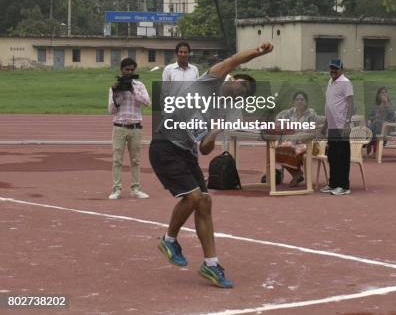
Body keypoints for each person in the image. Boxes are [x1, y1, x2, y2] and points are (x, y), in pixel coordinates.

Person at [149, 42, 274, 288]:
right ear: (232, 78)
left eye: (245, 93)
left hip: (185, 152)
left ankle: (211, 264)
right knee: (194, 197)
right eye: (241, 84)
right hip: (164, 146)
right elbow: (234, 59)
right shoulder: (210, 80)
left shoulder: (220, 112)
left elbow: (205, 148)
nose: (241, 91)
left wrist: (217, 129)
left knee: (205, 201)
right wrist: (257, 51)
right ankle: (169, 239)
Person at [108, 57, 151, 200]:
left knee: (136, 160)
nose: (130, 72)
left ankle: (136, 189)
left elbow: (147, 102)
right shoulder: (115, 87)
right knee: (117, 160)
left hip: (135, 127)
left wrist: (133, 90)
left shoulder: (139, 85)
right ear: (121, 70)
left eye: (132, 69)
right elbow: (111, 110)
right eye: (127, 69)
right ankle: (116, 189)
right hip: (119, 126)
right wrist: (116, 93)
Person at [320, 59, 354, 196]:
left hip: (341, 126)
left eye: (336, 68)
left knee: (342, 157)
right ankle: (333, 183)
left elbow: (351, 104)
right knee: (332, 157)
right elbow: (329, 105)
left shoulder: (346, 83)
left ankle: (343, 186)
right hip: (332, 126)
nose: (333, 71)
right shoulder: (330, 82)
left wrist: (347, 122)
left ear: (341, 69)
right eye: (331, 68)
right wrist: (325, 125)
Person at [275, 92, 318, 187]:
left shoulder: (311, 113)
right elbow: (280, 125)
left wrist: (297, 130)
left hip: (307, 143)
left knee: (293, 150)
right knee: (278, 150)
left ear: (306, 102)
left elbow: (313, 130)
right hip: (291, 141)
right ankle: (296, 174)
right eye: (297, 99)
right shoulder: (289, 112)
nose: (299, 101)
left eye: (302, 99)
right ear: (293, 102)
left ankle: (297, 175)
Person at [367, 87, 396, 156]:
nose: (384, 94)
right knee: (373, 124)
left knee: (376, 124)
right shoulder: (375, 106)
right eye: (382, 93)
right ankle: (373, 147)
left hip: (388, 127)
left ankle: (369, 143)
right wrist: (375, 117)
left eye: (385, 92)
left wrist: (386, 103)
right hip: (376, 127)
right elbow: (370, 116)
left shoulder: (390, 104)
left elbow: (392, 113)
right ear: (378, 95)